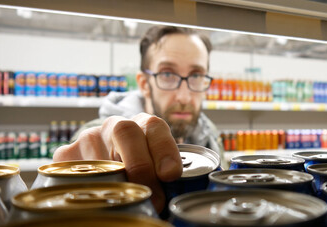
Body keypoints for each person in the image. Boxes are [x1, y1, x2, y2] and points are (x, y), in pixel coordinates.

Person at [53, 25, 223, 213]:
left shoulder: (211, 137)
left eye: (196, 75)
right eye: (167, 75)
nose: (184, 96)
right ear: (144, 84)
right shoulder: (100, 136)